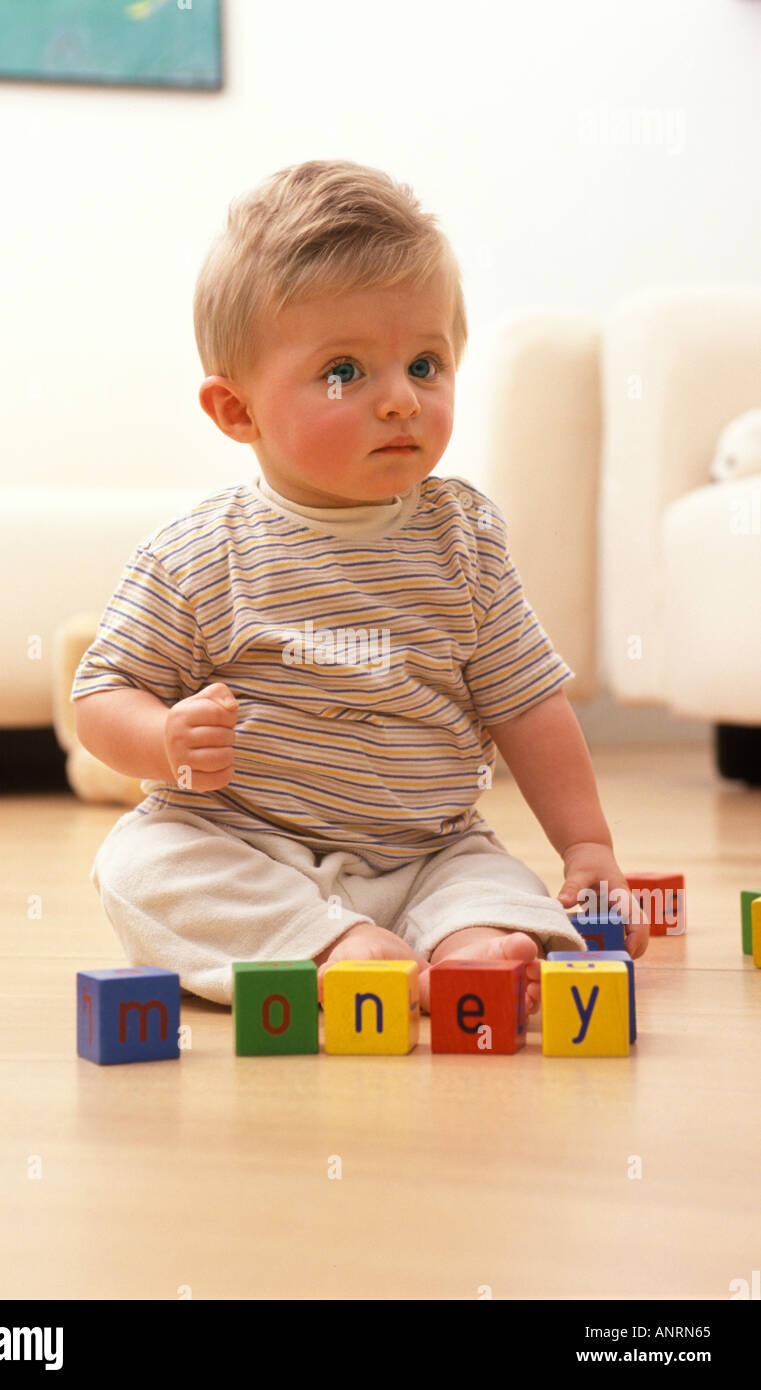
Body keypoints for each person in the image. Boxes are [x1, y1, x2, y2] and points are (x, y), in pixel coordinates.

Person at [71, 159, 648, 1017]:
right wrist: (162, 740)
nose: (400, 402)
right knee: (140, 865)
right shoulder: (198, 554)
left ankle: (468, 947)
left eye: (425, 364)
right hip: (245, 843)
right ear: (238, 412)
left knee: (487, 880)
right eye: (345, 372)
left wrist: (586, 844)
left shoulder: (466, 541)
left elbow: (527, 706)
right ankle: (337, 943)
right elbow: (101, 694)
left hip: (426, 848)